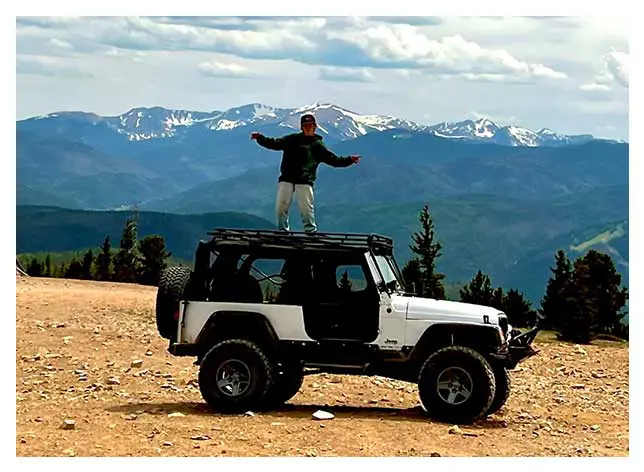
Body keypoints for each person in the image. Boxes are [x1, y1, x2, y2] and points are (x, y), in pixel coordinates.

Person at [250, 113, 360, 233]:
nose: (308, 127)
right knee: (281, 206)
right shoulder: (292, 139)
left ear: (315, 127)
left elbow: (333, 160)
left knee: (306, 208)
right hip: (287, 178)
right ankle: (282, 231)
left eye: (310, 125)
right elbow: (274, 143)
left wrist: (349, 160)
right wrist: (260, 138)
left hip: (304, 180)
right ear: (301, 127)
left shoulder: (317, 145)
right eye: (305, 125)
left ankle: (310, 232)